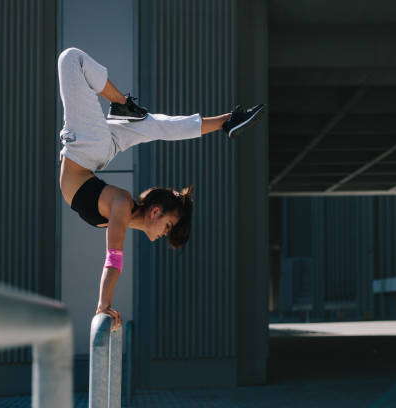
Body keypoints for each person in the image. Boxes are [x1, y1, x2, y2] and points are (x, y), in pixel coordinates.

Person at [57, 47, 265, 330]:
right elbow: (113, 260)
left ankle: (225, 121)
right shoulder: (120, 204)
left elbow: (113, 260)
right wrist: (103, 305)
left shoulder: (121, 206)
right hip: (86, 150)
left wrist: (105, 306)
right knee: (71, 59)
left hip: (93, 150)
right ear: (155, 211)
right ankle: (123, 104)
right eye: (167, 226)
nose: (162, 234)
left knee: (154, 126)